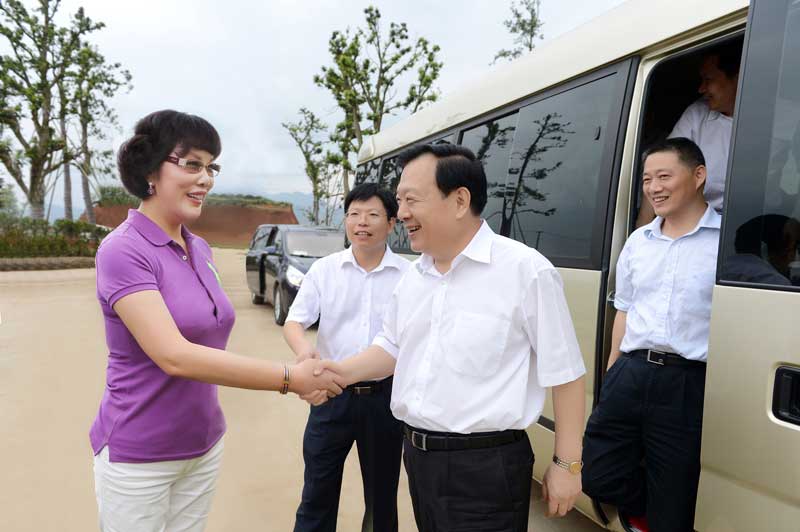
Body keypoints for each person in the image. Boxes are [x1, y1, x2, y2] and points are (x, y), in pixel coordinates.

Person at [90, 110, 342, 532]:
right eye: (192, 164)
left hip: (202, 445)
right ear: (150, 171)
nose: (205, 179)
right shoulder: (123, 250)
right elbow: (174, 355)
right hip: (140, 455)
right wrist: (290, 378)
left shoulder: (200, 249)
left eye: (211, 167)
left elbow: (209, 338)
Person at [316, 143, 587, 532]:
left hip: (484, 467)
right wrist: (336, 373)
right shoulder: (414, 277)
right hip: (418, 458)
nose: (401, 213)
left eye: (411, 199)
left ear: (460, 200)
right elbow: (391, 347)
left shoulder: (525, 272)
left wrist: (567, 464)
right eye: (399, 200)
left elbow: (566, 373)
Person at [582, 138, 720, 532]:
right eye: (646, 179)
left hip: (686, 381)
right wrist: (612, 373)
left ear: (698, 175)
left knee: (672, 500)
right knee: (597, 474)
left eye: (663, 177)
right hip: (631, 372)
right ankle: (649, 507)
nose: (653, 188)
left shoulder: (723, 243)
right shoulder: (638, 242)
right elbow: (624, 309)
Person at [284, 183, 410, 532]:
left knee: (382, 499)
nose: (361, 222)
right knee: (317, 493)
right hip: (330, 396)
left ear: (391, 223)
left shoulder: (409, 277)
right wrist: (303, 350)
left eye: (372, 215)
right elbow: (295, 321)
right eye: (354, 214)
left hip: (384, 399)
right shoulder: (325, 270)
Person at [637, 40, 741, 226]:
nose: (701, 89)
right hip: (699, 224)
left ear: (738, 77)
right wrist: (642, 230)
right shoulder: (697, 115)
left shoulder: (776, 116)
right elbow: (662, 166)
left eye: (708, 80)